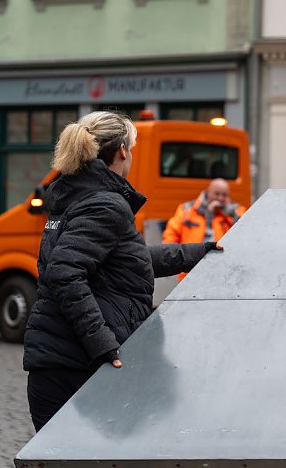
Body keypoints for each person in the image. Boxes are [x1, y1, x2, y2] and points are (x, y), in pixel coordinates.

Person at [23, 111, 218, 432]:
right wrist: (103, 344)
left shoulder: (75, 195)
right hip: (78, 368)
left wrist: (196, 254)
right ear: (123, 151)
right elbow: (64, 272)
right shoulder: (104, 204)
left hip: (57, 365)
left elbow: (128, 261)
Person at [162, 178, 246, 280]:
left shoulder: (236, 210)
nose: (220, 198)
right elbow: (172, 234)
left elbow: (247, 230)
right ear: (208, 192)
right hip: (190, 272)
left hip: (223, 273)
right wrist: (170, 260)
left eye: (224, 195)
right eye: (217, 194)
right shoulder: (187, 209)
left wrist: (230, 213)